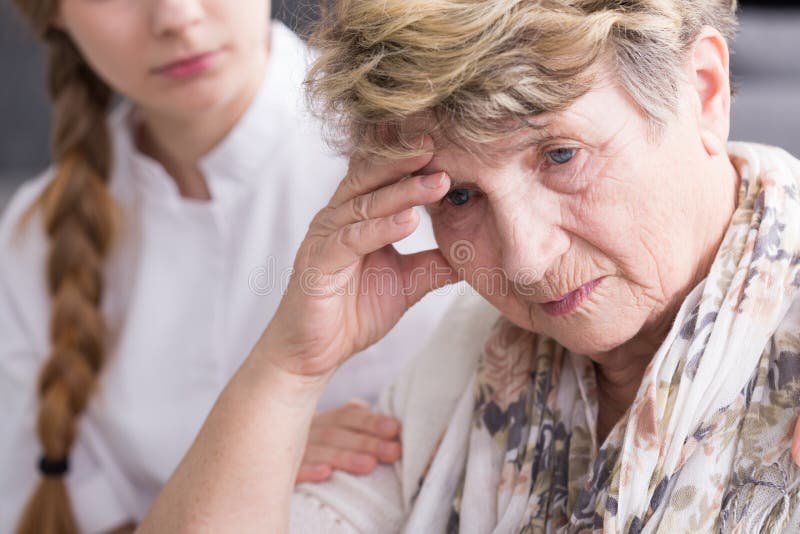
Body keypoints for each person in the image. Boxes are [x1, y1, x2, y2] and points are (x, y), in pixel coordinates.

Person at [136, 0, 800, 532]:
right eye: (458, 196)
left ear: (704, 92)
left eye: (560, 156)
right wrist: (288, 369)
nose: (526, 260)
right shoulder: (470, 353)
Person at [0, 1, 457, 533]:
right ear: (50, 13)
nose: (175, 17)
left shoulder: (425, 141)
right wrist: (247, 453)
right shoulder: (31, 241)